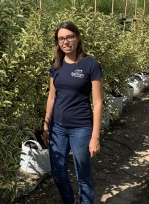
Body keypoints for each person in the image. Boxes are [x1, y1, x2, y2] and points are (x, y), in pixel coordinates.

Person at [43, 21, 103, 204]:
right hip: (57, 128)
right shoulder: (56, 65)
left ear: (77, 38)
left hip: (81, 128)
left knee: (83, 177)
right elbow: (52, 97)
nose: (65, 41)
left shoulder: (90, 64)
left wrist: (95, 137)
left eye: (69, 36)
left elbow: (98, 103)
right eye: (61, 38)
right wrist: (46, 125)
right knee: (58, 173)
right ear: (57, 42)